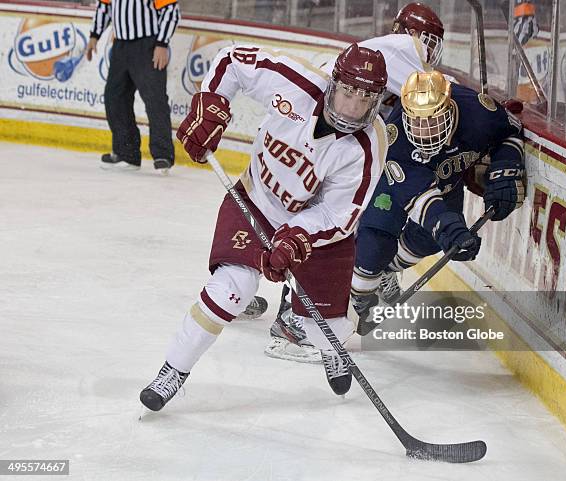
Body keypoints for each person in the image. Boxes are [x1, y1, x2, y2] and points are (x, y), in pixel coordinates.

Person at [139, 43, 388, 410]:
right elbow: (232, 61)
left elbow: (339, 216)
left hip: (313, 232)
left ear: (377, 101)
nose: (352, 107)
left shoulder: (368, 147)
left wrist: (295, 237)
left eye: (364, 98)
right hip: (254, 201)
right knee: (230, 289)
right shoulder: (295, 82)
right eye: (348, 92)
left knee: (324, 323)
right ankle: (173, 370)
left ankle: (330, 346)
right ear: (334, 84)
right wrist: (211, 104)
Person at [259, 2, 449, 363]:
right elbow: (441, 92)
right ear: (408, 34)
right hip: (310, 141)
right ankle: (291, 320)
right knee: (319, 228)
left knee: (338, 221)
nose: (429, 50)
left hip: (327, 145)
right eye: (426, 40)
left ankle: (263, 289)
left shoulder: (385, 58)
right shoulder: (397, 50)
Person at [352, 70, 526, 336]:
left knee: (429, 240)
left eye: (432, 121)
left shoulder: (479, 113)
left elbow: (511, 129)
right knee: (375, 241)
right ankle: (355, 302)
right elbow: (420, 200)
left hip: (448, 181)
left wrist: (505, 169)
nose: (422, 131)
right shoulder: (395, 138)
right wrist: (450, 229)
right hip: (400, 183)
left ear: (449, 110)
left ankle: (386, 270)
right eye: (416, 122)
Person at [86, 0, 181, 173]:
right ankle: (126, 153)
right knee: (115, 98)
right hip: (120, 46)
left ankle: (163, 155)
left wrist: (161, 44)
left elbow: (170, 11)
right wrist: (94, 35)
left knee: (155, 99)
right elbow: (104, 7)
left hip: (148, 46)